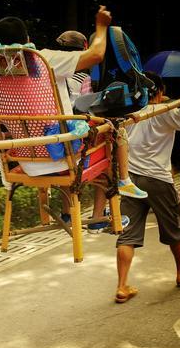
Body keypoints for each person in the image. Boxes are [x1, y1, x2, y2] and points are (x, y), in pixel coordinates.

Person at [0, 9, 145, 233]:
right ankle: (103, 214)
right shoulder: (43, 59)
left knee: (75, 136)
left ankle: (68, 212)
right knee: (111, 133)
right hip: (62, 156)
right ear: (27, 40)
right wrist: (101, 26)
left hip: (24, 159)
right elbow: (95, 55)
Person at [114, 72, 180, 303]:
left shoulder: (129, 115)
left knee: (127, 234)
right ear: (161, 92)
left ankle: (122, 286)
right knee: (175, 228)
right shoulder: (165, 113)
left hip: (131, 179)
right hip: (158, 180)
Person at [55, 30, 148, 233]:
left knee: (66, 156)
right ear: (85, 50)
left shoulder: (48, 78)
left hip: (54, 146)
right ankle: (99, 215)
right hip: (79, 144)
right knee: (110, 148)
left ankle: (67, 213)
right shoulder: (86, 79)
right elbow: (89, 110)